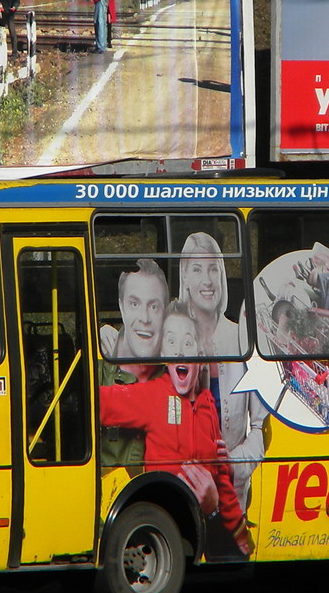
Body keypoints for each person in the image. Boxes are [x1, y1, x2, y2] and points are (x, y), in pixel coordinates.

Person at [99, 301, 252, 556]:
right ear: (163, 357)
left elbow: (222, 479)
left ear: (200, 357)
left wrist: (240, 534)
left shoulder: (208, 406)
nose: (180, 351)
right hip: (168, 525)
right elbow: (101, 403)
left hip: (211, 530)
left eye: (188, 343)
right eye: (171, 342)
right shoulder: (153, 395)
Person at [178, 232, 265, 512]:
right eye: (197, 269)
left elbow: (258, 431)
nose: (207, 280)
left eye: (213, 268)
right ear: (185, 279)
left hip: (234, 502)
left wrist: (230, 468)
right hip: (183, 492)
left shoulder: (241, 337)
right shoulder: (171, 339)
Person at [98, 259, 169, 468]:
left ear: (165, 311)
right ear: (121, 307)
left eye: (154, 306)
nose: (144, 318)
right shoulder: (97, 373)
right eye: (134, 304)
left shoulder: (177, 379)